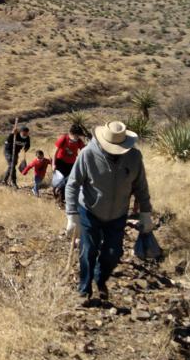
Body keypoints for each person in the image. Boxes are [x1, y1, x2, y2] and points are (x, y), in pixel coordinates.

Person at [65, 121, 153, 305]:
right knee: (88, 250)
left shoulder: (134, 157)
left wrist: (146, 212)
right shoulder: (88, 154)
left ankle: (100, 278)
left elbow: (141, 186)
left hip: (118, 213)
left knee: (114, 252)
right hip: (89, 210)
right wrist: (72, 215)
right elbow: (72, 184)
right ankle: (84, 289)